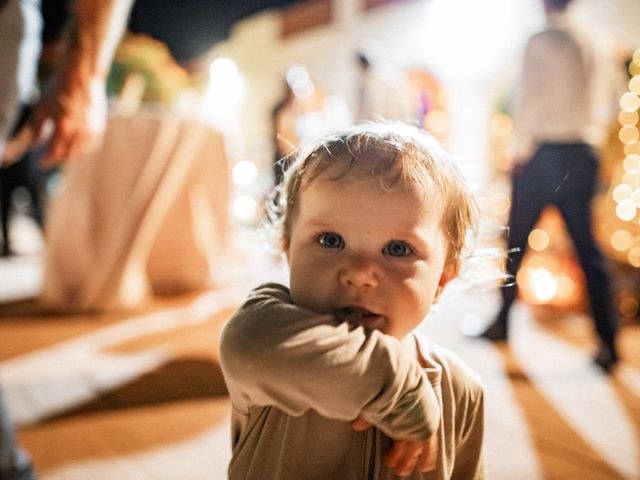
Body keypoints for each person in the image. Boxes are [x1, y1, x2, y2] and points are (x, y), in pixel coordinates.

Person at [220, 122, 484, 479]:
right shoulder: (272, 331)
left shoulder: (461, 390)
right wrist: (396, 386)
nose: (360, 273)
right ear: (287, 253)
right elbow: (247, 346)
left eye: (397, 249)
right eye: (330, 240)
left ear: (441, 280)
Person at [478, 0, 624, 372]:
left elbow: (528, 100)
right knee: (588, 250)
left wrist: (522, 153)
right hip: (583, 152)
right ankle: (609, 344)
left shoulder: (541, 38)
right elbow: (615, 100)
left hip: (542, 153)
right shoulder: (597, 40)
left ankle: (502, 322)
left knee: (515, 242)